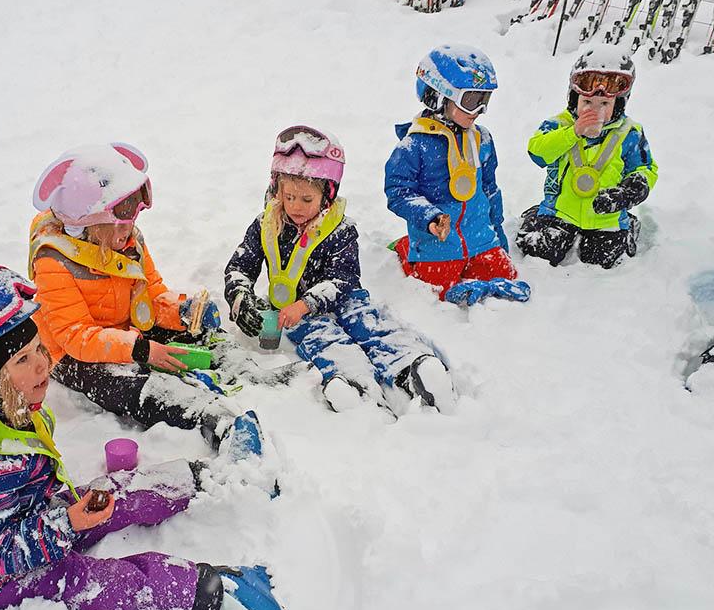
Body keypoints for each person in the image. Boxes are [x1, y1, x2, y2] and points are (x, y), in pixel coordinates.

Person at [0, 267, 290, 610]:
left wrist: (63, 517)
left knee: (112, 492)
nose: (44, 366)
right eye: (22, 361)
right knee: (99, 581)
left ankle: (209, 479)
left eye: (38, 350)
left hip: (27, 517)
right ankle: (215, 595)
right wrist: (65, 523)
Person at [29, 143, 283, 454]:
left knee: (195, 330)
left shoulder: (129, 241)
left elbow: (151, 295)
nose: (129, 229)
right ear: (89, 226)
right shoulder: (53, 262)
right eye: (119, 223)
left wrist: (184, 313)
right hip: (75, 356)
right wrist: (141, 349)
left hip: (125, 331)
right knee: (127, 383)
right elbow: (74, 336)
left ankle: (242, 367)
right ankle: (211, 419)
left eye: (132, 219)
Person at [226, 125, 457, 414]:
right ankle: (352, 382)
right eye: (289, 197)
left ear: (327, 195)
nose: (296, 206)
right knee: (322, 339)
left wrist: (307, 303)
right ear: (277, 191)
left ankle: (410, 368)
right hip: (296, 315)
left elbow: (343, 278)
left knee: (371, 325)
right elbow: (240, 265)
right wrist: (240, 295)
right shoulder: (266, 225)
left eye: (307, 199)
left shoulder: (341, 230)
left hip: (342, 300)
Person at [385, 44, 530, 306]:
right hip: (438, 241)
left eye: (484, 101)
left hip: (479, 238)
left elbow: (489, 190)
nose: (479, 110)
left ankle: (472, 255)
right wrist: (429, 217)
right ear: (437, 97)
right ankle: (408, 249)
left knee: (505, 278)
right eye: (472, 101)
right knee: (438, 290)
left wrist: (496, 234)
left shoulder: (482, 138)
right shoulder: (414, 145)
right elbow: (398, 193)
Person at [516, 45, 659, 269]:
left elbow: (645, 168)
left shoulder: (629, 133)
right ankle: (536, 216)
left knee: (601, 261)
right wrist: (572, 133)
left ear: (619, 103)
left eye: (604, 104)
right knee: (541, 251)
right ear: (574, 99)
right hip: (561, 213)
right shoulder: (559, 125)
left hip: (606, 217)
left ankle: (628, 226)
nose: (595, 111)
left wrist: (628, 192)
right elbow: (537, 152)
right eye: (587, 103)